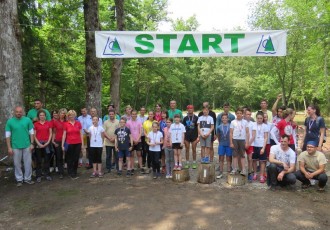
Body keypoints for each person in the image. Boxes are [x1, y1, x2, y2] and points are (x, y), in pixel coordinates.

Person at [5, 106, 35, 186]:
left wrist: (32, 143)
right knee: (17, 163)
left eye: (20, 111)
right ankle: (19, 179)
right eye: (17, 112)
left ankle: (28, 178)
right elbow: (7, 135)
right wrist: (9, 147)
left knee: (28, 163)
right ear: (14, 112)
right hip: (15, 146)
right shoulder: (10, 122)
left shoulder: (27, 120)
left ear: (22, 112)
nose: (19, 113)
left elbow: (31, 132)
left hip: (27, 145)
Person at [62, 110, 84, 180]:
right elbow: (64, 135)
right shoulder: (66, 124)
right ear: (68, 116)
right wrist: (62, 145)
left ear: (75, 115)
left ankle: (75, 171)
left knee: (76, 158)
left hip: (77, 143)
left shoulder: (78, 123)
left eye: (73, 115)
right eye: (70, 115)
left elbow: (81, 134)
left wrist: (82, 144)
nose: (71, 116)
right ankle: (70, 172)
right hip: (69, 143)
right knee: (69, 159)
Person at [34, 110, 53, 183]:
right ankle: (38, 176)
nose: (42, 116)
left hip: (46, 144)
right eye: (40, 115)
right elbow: (34, 135)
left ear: (45, 116)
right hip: (38, 144)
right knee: (38, 160)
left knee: (46, 160)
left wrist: (48, 142)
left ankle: (47, 174)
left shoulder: (48, 123)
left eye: (43, 115)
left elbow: (50, 133)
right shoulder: (36, 124)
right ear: (38, 116)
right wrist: (38, 143)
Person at [249, 111, 269, 183]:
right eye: (258, 118)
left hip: (261, 145)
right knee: (254, 160)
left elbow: (266, 137)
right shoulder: (253, 125)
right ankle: (254, 173)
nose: (259, 119)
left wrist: (263, 148)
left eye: (261, 118)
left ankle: (261, 175)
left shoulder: (265, 126)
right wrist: (249, 144)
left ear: (263, 118)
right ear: (256, 118)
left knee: (262, 161)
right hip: (254, 145)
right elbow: (253, 136)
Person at [230, 107, 249, 176]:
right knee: (235, 155)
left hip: (242, 140)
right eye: (237, 113)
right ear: (235, 114)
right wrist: (231, 142)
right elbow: (231, 133)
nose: (239, 114)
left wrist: (247, 142)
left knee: (242, 155)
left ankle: (243, 169)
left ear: (243, 114)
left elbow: (247, 133)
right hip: (235, 139)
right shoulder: (233, 122)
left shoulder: (245, 122)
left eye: (240, 113)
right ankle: (234, 169)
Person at [52, 108, 67, 179]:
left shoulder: (67, 122)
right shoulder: (55, 122)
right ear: (59, 114)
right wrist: (53, 141)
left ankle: (69, 170)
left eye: (64, 113)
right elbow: (54, 132)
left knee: (67, 156)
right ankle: (61, 172)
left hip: (67, 140)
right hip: (58, 140)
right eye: (61, 113)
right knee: (59, 156)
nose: (62, 114)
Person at [216, 113, 232, 179]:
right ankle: (221, 172)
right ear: (221, 119)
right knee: (221, 158)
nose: (224, 119)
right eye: (223, 118)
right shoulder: (219, 127)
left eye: (226, 118)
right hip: (222, 144)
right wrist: (220, 142)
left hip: (229, 144)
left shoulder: (231, 126)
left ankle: (228, 171)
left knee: (228, 158)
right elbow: (218, 136)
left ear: (228, 119)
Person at [183, 105, 199, 169]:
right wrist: (183, 137)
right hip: (186, 136)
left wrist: (198, 136)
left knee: (194, 149)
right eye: (189, 109)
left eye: (191, 108)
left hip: (194, 136)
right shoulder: (185, 118)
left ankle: (194, 162)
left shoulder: (196, 118)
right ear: (187, 110)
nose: (190, 110)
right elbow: (182, 128)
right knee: (187, 149)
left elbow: (198, 127)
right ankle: (187, 162)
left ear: (193, 109)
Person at [244, 108, 254, 181]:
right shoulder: (241, 122)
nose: (249, 116)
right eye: (247, 114)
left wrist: (249, 143)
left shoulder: (253, 124)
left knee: (250, 159)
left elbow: (253, 135)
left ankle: (250, 173)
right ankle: (242, 171)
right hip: (242, 143)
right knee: (241, 158)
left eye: (250, 114)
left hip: (250, 143)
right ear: (244, 114)